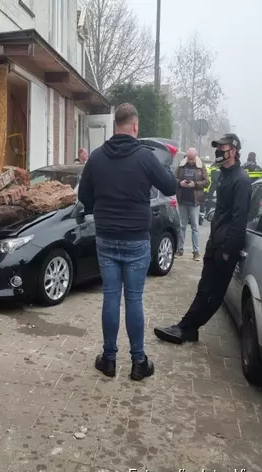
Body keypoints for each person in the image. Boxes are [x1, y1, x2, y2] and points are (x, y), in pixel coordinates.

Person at [78, 103, 177, 379]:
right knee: (134, 299)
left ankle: (108, 360)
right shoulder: (145, 158)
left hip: (106, 238)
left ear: (114, 125)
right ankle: (138, 363)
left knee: (111, 297)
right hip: (136, 239)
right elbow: (170, 186)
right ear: (135, 126)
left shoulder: (96, 158)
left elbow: (84, 197)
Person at [154, 133, 252, 344]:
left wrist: (227, 250)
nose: (218, 152)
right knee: (204, 288)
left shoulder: (241, 181)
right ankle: (188, 328)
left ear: (233, 151)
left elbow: (238, 220)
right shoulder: (225, 175)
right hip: (215, 242)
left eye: (222, 148)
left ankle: (185, 328)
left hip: (225, 248)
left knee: (213, 293)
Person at [175, 148, 209, 260]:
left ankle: (196, 252)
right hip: (182, 200)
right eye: (188, 158)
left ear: (196, 156)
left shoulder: (201, 166)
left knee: (195, 227)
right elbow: (174, 178)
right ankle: (180, 250)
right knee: (182, 226)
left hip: (195, 201)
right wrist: (180, 183)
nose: (190, 161)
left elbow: (207, 182)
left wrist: (195, 184)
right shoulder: (181, 165)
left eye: (192, 158)